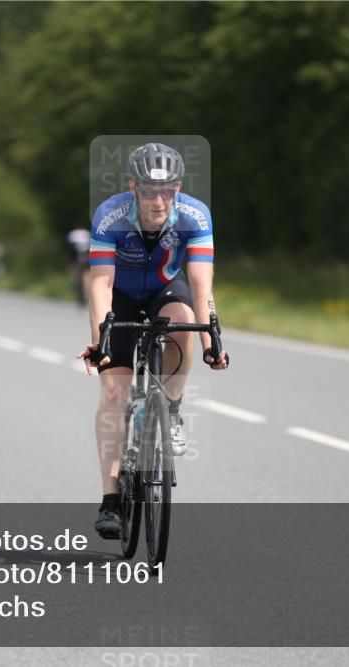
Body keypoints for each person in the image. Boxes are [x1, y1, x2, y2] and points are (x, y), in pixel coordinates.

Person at [76, 143, 229, 538]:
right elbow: (100, 285)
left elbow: (200, 283)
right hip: (121, 298)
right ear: (133, 187)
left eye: (167, 191)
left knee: (184, 322)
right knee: (113, 391)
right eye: (148, 191)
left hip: (165, 289)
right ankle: (111, 498)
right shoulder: (110, 216)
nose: (159, 201)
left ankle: (172, 409)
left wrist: (212, 334)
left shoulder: (195, 215)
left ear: (178, 187)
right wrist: (100, 342)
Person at [65, 227, 92, 305]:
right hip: (87, 250)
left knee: (74, 269)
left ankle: (75, 281)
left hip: (75, 251)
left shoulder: (72, 235)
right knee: (86, 272)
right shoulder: (87, 234)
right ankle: (87, 293)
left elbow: (70, 254)